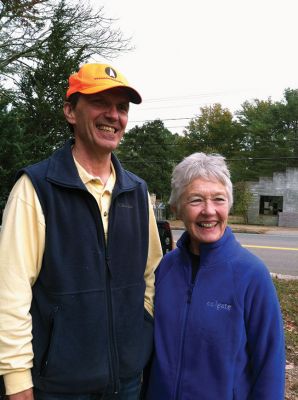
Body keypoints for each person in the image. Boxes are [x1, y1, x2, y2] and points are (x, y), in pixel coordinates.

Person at [0, 63, 163, 400]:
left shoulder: (136, 191)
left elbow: (152, 277)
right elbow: (10, 295)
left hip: (126, 383)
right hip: (57, 387)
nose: (113, 115)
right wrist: (18, 384)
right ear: (70, 111)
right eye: (100, 102)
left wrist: (138, 338)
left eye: (121, 107)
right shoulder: (35, 189)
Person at [145, 153, 285, 399]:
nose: (209, 211)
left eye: (219, 199)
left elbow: (269, 366)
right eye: (196, 200)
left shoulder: (252, 275)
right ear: (177, 208)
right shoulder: (165, 268)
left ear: (228, 205)